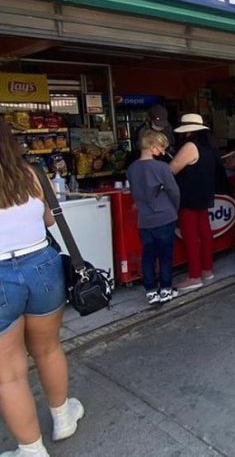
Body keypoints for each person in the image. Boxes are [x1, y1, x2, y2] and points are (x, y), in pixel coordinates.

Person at [0, 121, 84, 457]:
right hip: (41, 264)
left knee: (9, 374)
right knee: (48, 349)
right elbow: (48, 220)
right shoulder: (31, 174)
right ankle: (63, 418)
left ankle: (32, 450)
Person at [126, 130, 180, 305]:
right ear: (152, 146)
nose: (163, 151)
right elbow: (174, 191)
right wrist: (175, 209)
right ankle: (165, 288)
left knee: (148, 255)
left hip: (144, 218)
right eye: (161, 147)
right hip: (165, 215)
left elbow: (134, 192)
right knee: (165, 255)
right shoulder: (161, 167)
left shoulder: (132, 169)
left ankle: (150, 291)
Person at [170, 113, 217, 292]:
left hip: (189, 196)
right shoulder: (208, 146)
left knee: (190, 236)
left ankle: (194, 276)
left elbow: (172, 169)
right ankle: (207, 269)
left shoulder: (190, 146)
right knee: (205, 232)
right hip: (204, 194)